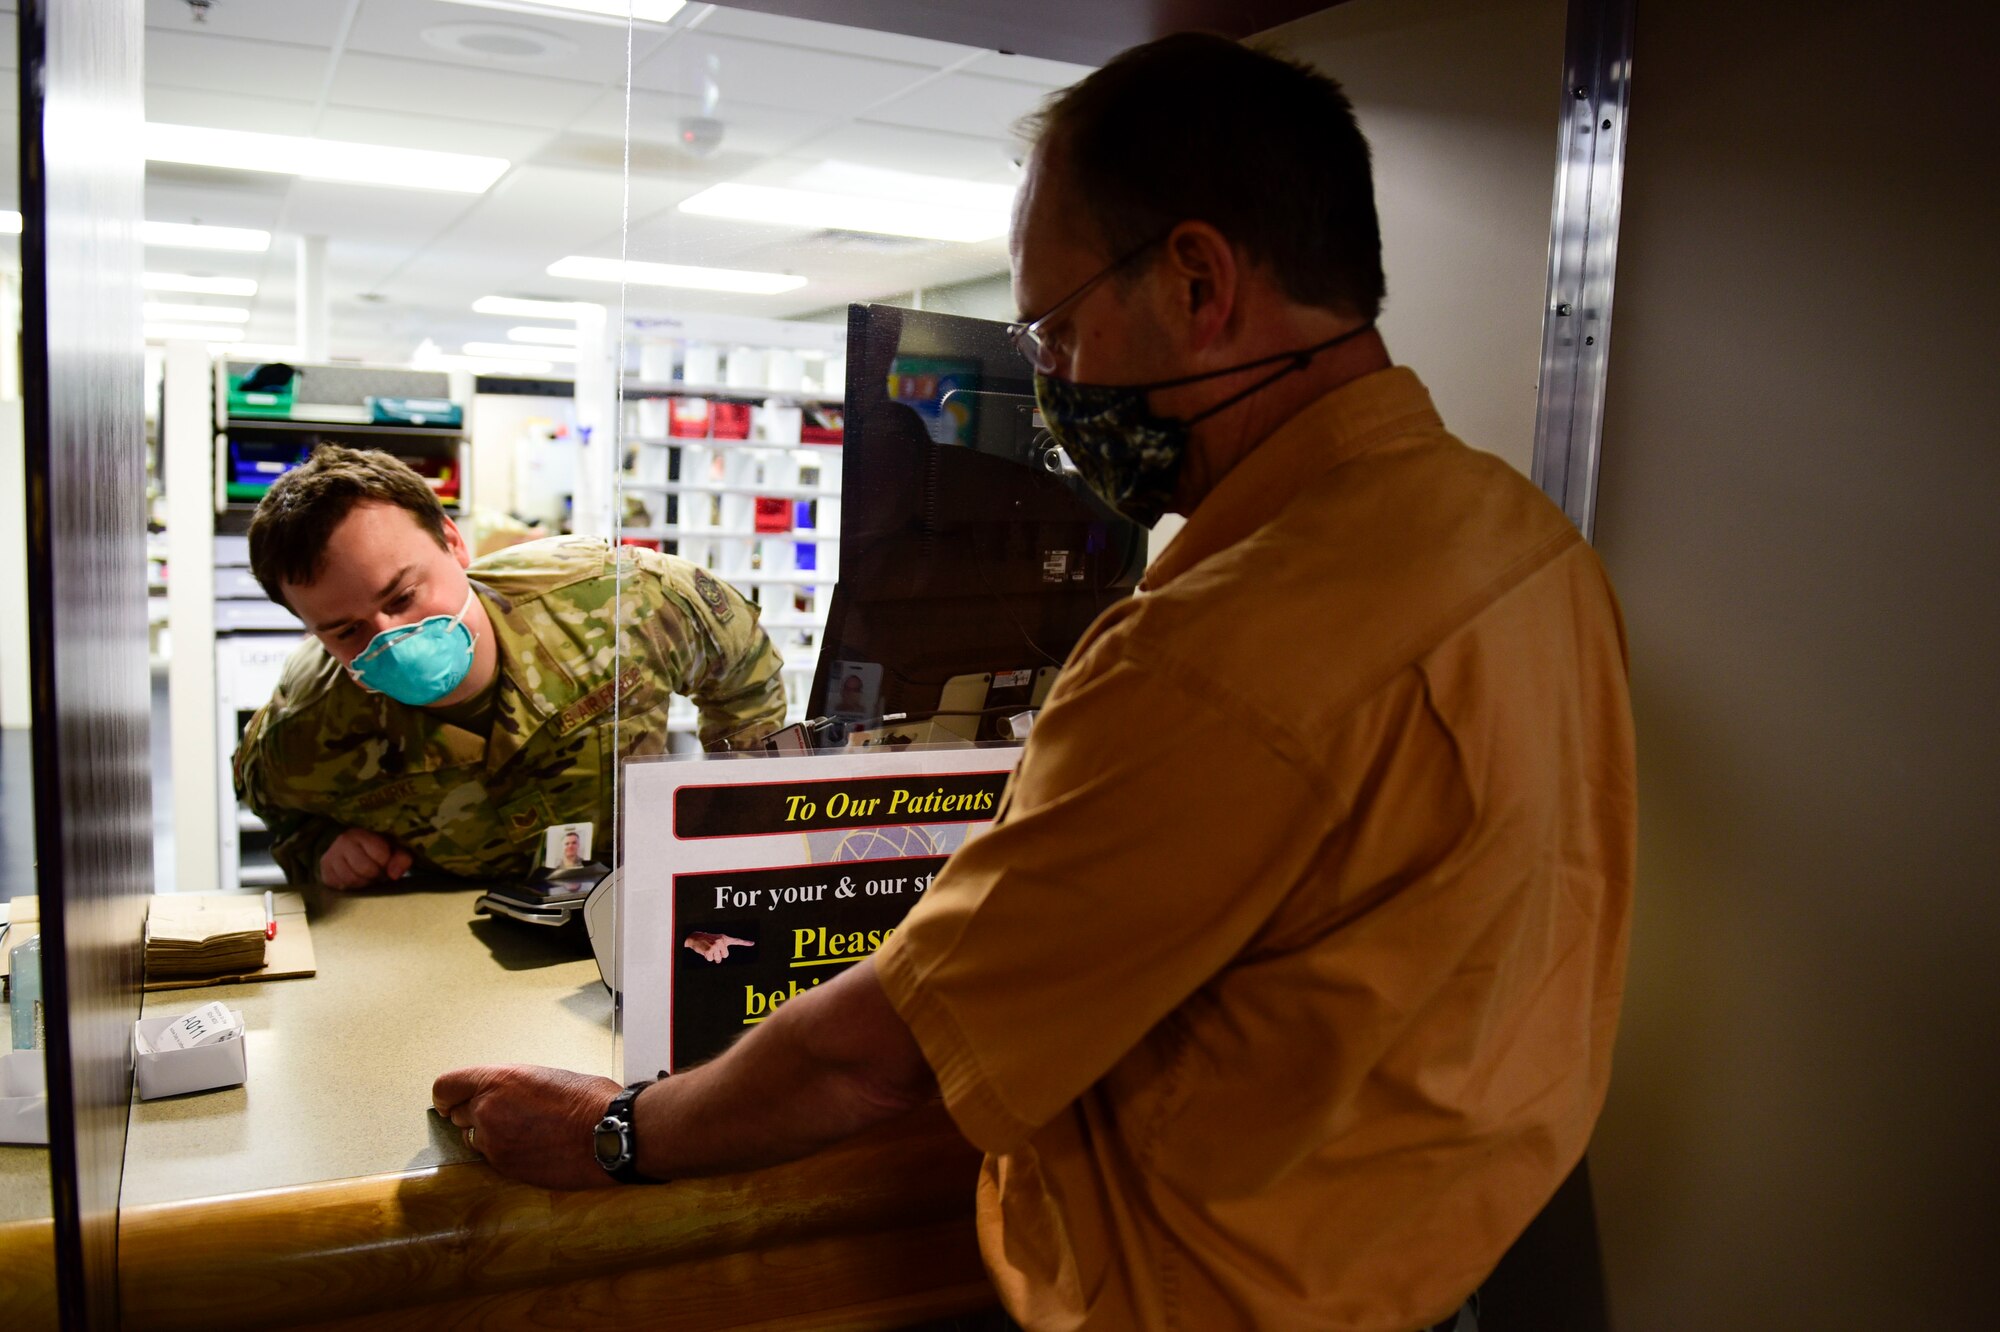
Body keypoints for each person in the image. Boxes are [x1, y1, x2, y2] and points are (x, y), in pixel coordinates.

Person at [433, 33, 1636, 1332]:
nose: (1049, 384)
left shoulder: (1223, 646)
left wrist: (622, 1129)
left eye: (1057, 328)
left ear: (1197, 282)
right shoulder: (1525, 545)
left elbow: (891, 1059)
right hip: (1467, 1267)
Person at [235, 445, 787, 888]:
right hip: (448, 945)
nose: (391, 638)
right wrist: (322, 849)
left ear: (453, 543)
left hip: (628, 907)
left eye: (403, 597)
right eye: (345, 630)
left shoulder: (618, 600)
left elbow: (743, 666)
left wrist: (728, 812)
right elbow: (275, 808)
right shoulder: (305, 724)